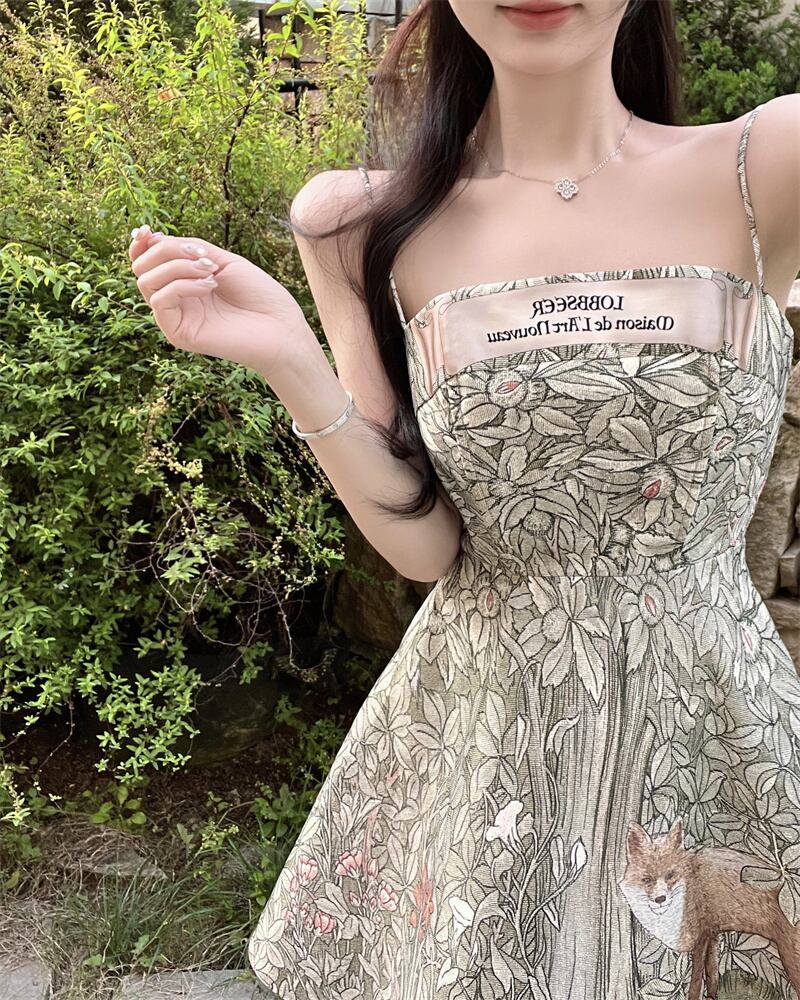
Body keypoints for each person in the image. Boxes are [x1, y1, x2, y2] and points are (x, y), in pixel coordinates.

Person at [129, 0, 800, 996]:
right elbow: (428, 549)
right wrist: (290, 362)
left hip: (712, 728)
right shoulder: (358, 222)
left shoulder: (766, 165)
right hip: (483, 744)